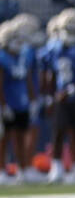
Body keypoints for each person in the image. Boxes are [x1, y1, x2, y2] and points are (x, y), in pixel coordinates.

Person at [43, 8, 75, 183]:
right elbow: (50, 74)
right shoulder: (53, 48)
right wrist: (51, 96)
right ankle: (56, 168)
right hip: (60, 97)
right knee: (58, 132)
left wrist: (72, 90)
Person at [0, 16, 37, 184]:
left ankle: (23, 169)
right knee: (4, 138)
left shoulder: (22, 55)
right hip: (8, 104)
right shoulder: (2, 57)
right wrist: (4, 105)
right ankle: (2, 170)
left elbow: (27, 79)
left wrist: (32, 100)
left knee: (21, 137)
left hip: (21, 103)